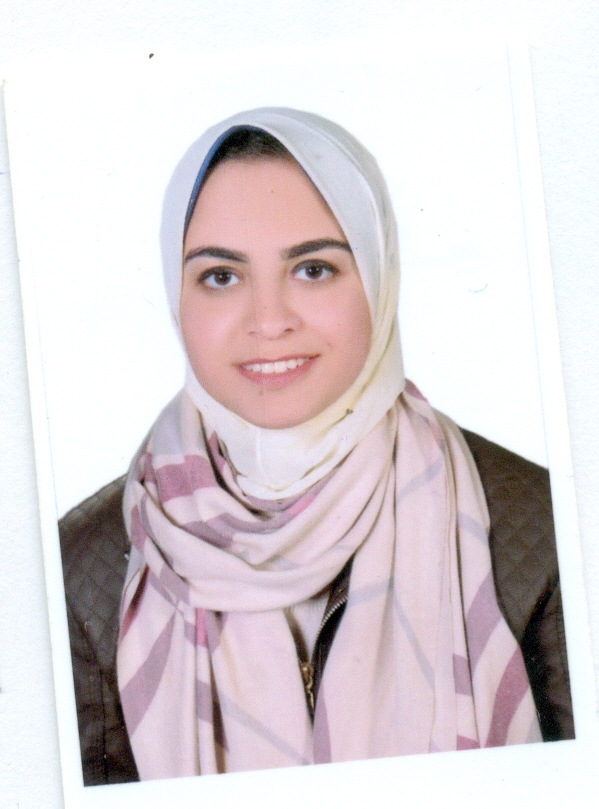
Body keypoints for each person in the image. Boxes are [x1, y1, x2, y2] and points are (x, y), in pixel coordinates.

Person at [58, 108, 573, 786]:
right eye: (221, 276)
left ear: (379, 277)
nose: (269, 321)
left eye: (312, 268)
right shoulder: (82, 567)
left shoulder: (545, 524)